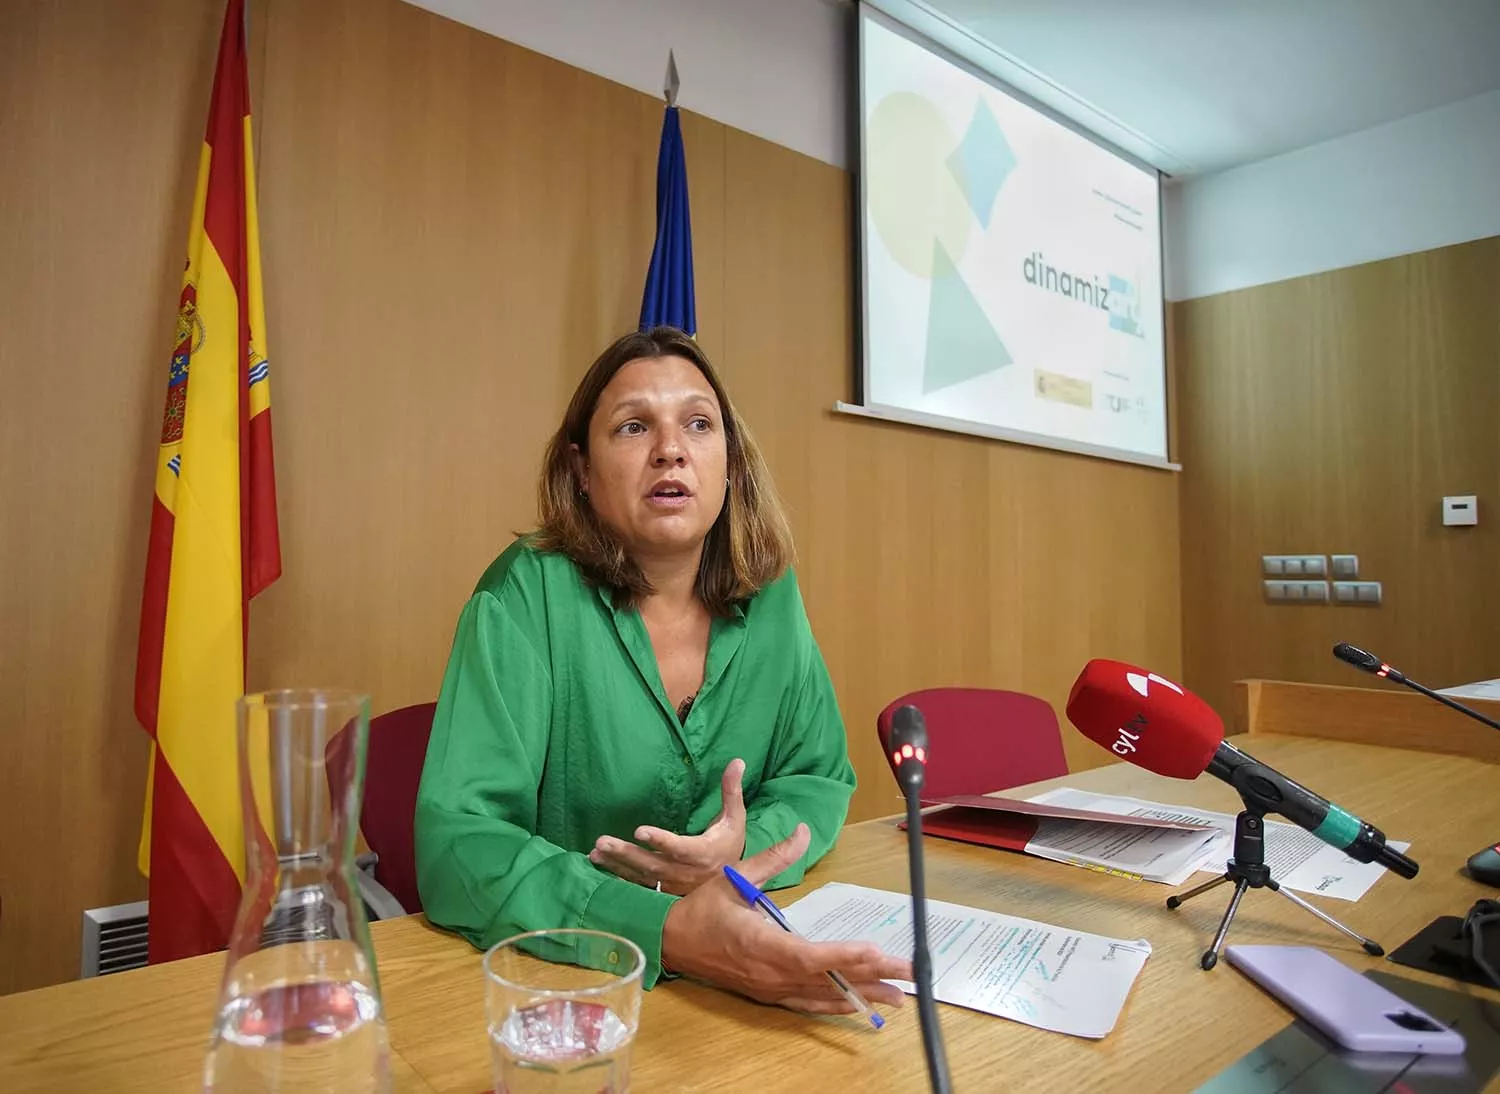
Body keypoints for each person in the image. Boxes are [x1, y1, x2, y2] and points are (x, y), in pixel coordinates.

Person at [414, 326, 911, 1014]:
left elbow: (816, 777)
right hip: (566, 991)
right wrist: (667, 929)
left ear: (730, 462)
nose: (671, 449)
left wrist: (733, 862)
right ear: (581, 471)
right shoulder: (523, 595)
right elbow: (458, 842)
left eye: (699, 424)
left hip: (745, 964)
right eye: (633, 426)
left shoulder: (770, 594)